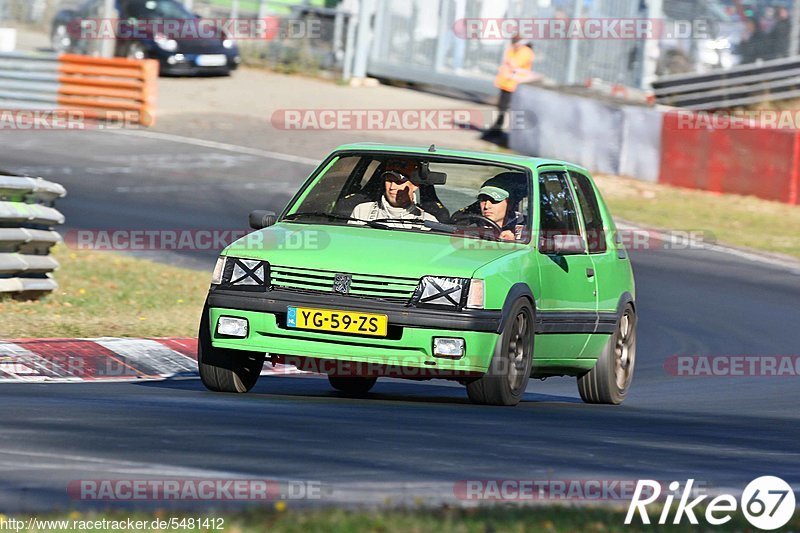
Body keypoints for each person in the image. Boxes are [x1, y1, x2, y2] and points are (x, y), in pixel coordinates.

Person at [350, 159, 438, 228]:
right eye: (389, 180)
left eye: (399, 182)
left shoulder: (428, 222)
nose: (392, 187)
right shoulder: (362, 211)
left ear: (415, 185)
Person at [482, 35, 535, 140]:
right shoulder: (513, 49)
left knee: (513, 110)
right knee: (501, 107)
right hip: (506, 83)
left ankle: (503, 131)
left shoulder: (525, 51)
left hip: (515, 85)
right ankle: (497, 129)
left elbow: (514, 63)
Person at [451, 173, 526, 242]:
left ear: (509, 204)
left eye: (494, 200)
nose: (486, 206)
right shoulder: (466, 224)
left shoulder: (526, 226)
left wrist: (513, 244)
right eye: (483, 200)